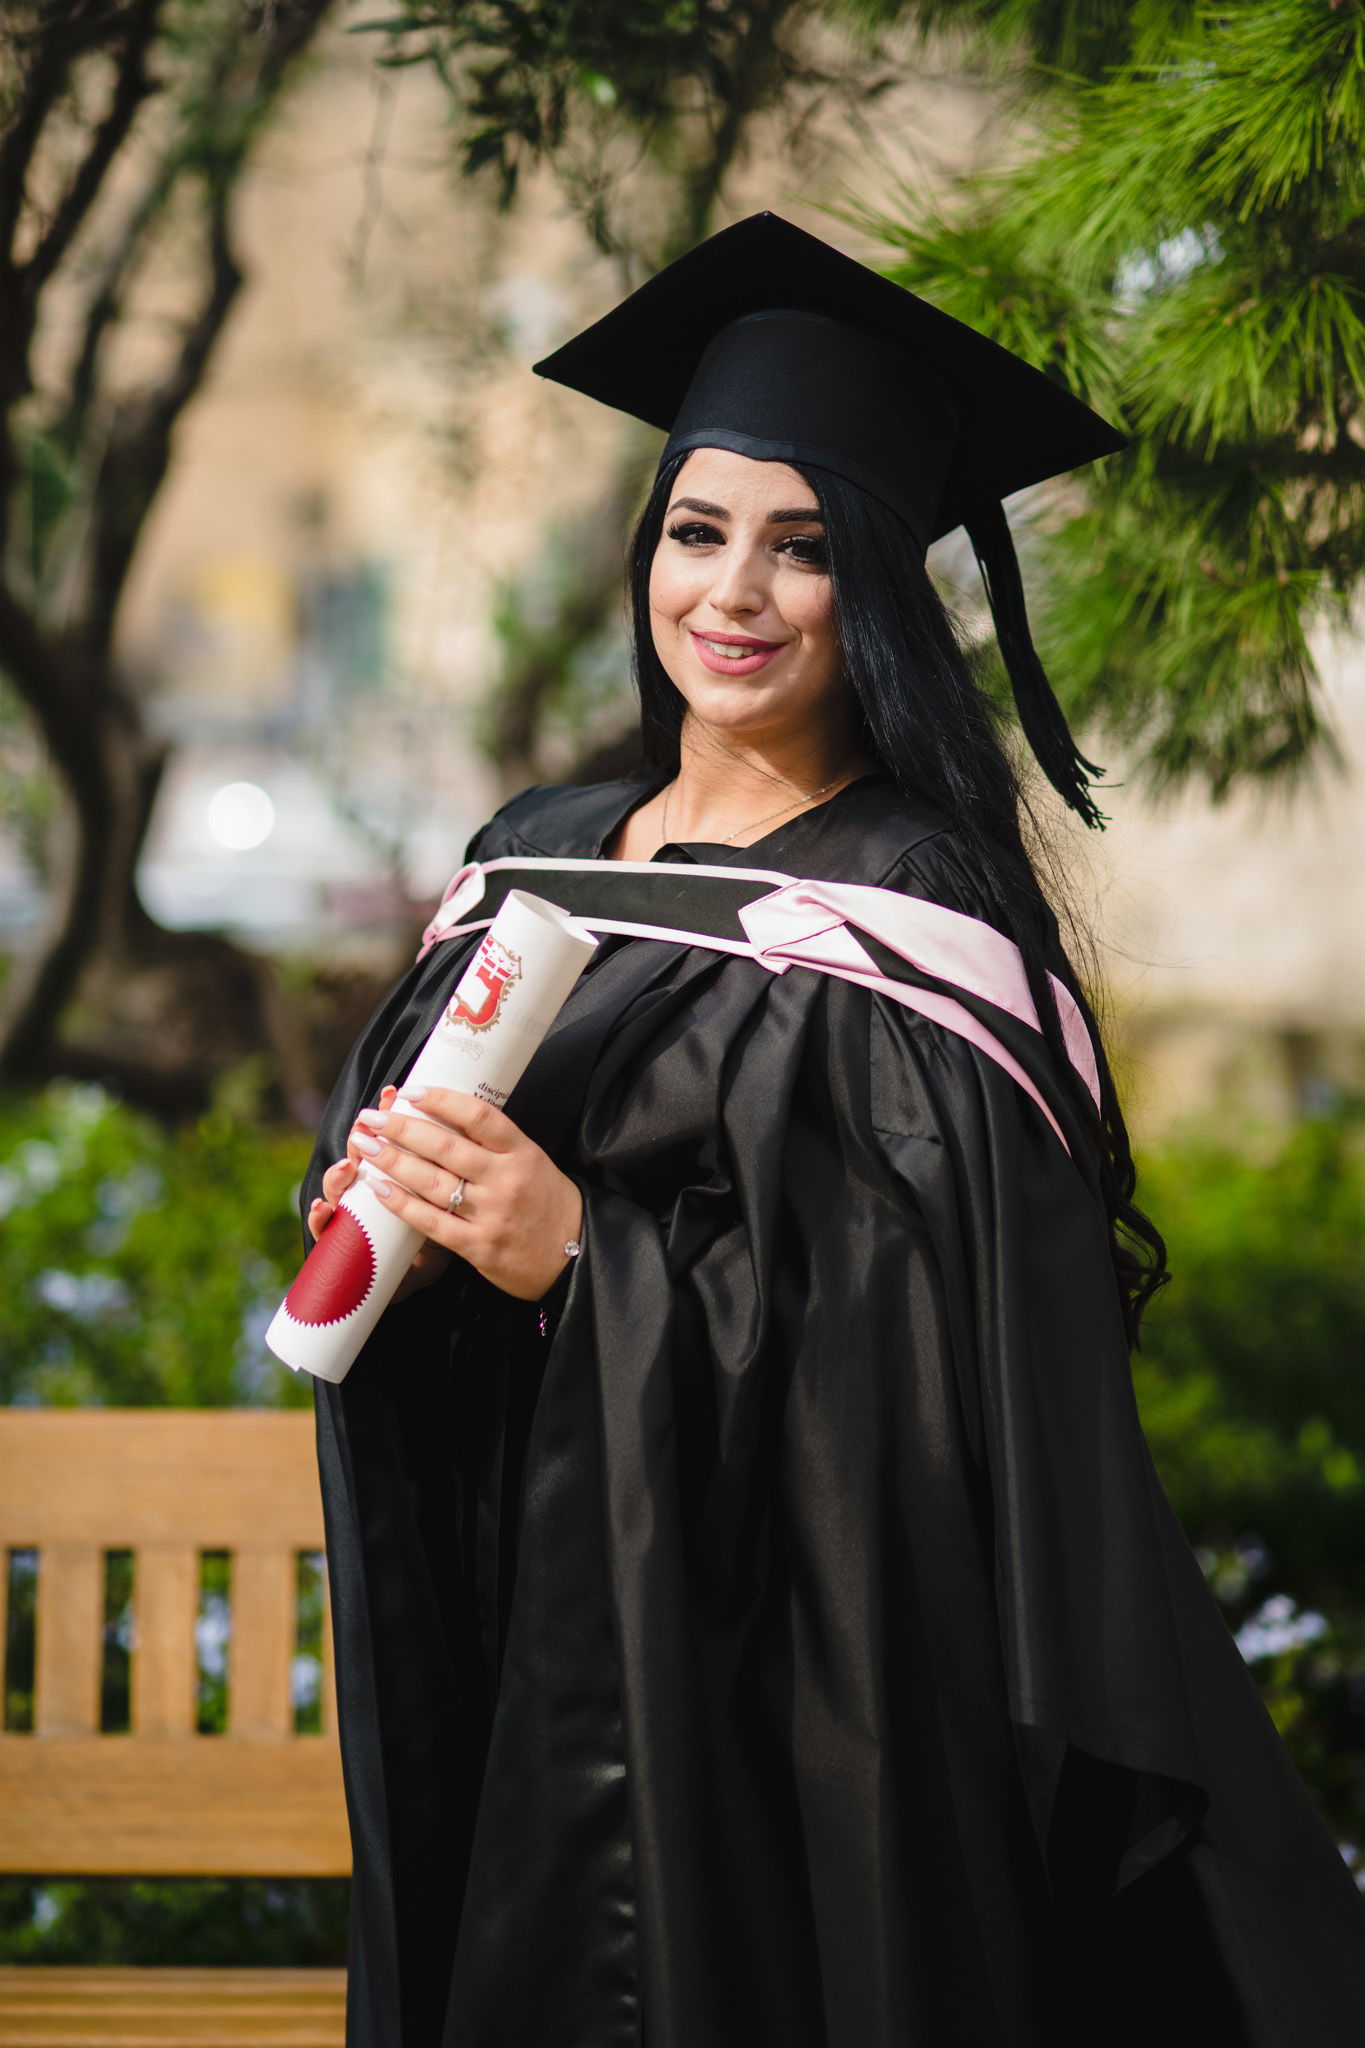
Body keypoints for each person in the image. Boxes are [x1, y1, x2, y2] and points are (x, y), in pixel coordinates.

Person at [301, 215, 1365, 2047]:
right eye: (699, 532)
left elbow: (944, 1394)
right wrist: (398, 1205)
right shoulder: (530, 853)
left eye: (802, 549)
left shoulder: (910, 920)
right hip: (523, 1619)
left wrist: (583, 1259)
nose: (734, 593)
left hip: (777, 1711)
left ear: (871, 586)